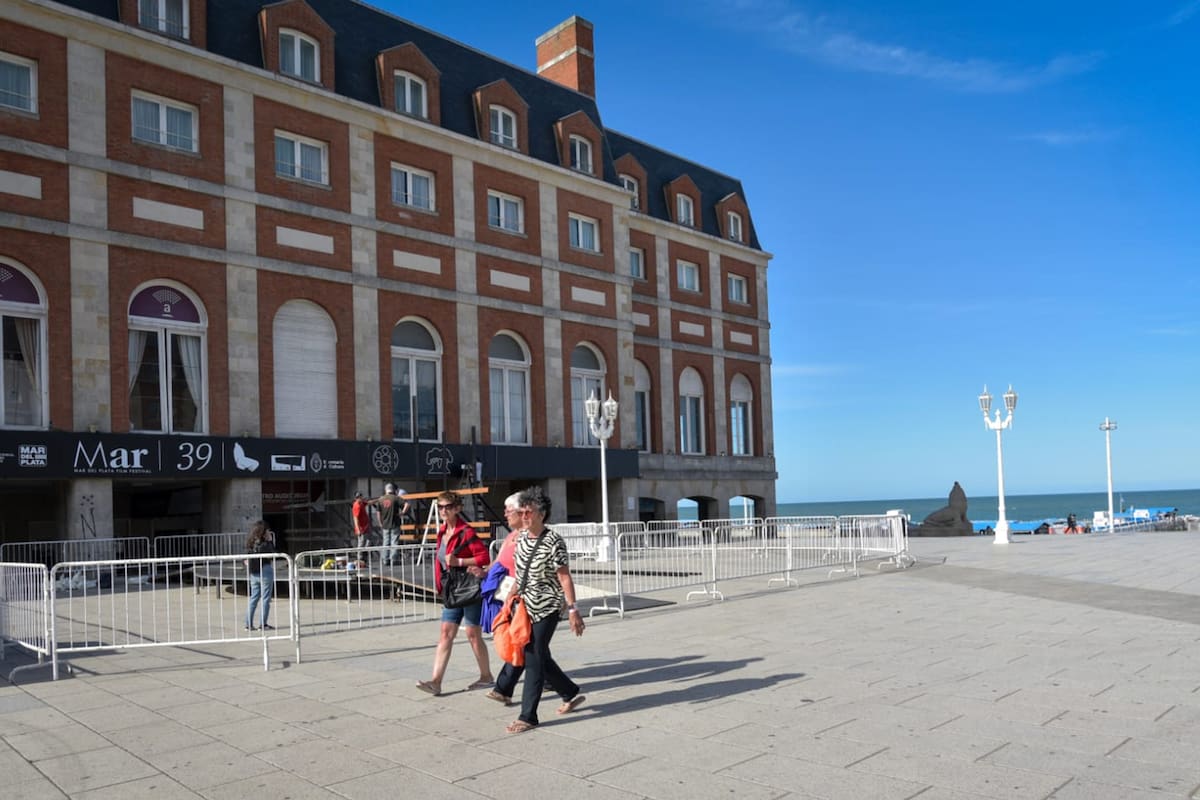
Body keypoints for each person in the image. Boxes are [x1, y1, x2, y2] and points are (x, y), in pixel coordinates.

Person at [504, 486, 586, 734]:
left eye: (529, 512)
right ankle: (570, 692)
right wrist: (511, 595)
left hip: (549, 607)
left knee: (534, 656)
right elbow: (521, 573)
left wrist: (573, 610)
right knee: (540, 655)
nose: (524, 516)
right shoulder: (522, 539)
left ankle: (528, 715)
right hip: (526, 606)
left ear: (541, 514)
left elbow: (564, 578)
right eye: (522, 512)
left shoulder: (554, 541)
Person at [416, 491, 494, 696]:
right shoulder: (442, 531)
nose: (443, 510)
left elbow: (484, 556)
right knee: (445, 634)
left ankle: (486, 676)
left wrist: (459, 561)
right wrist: (439, 585)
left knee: (472, 634)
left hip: (467, 588)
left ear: (458, 508)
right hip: (451, 590)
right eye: (440, 507)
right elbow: (441, 561)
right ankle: (436, 681)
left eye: (448, 506)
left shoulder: (466, 531)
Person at [244, 520, 276, 631]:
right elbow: (273, 554)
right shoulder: (264, 544)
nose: (269, 532)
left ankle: (248, 624)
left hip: (253, 572)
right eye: (267, 530)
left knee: (253, 598)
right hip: (265, 571)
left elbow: (246, 558)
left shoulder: (251, 543)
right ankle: (263, 624)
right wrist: (270, 541)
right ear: (263, 532)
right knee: (265, 598)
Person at [372, 484, 408, 567]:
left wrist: (380, 523)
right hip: (395, 523)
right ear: (393, 490)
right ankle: (393, 559)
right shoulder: (396, 498)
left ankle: (385, 560)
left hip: (385, 524)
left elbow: (378, 513)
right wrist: (402, 513)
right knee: (394, 542)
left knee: (385, 542)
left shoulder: (381, 500)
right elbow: (406, 504)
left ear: (386, 490)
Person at [351, 491, 371, 565]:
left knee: (368, 542)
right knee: (361, 543)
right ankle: (360, 558)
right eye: (358, 497)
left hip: (365, 527)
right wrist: (358, 529)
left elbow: (369, 503)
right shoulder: (357, 506)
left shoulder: (362, 503)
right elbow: (355, 518)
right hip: (361, 528)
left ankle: (364, 558)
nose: (360, 498)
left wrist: (378, 500)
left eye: (360, 497)